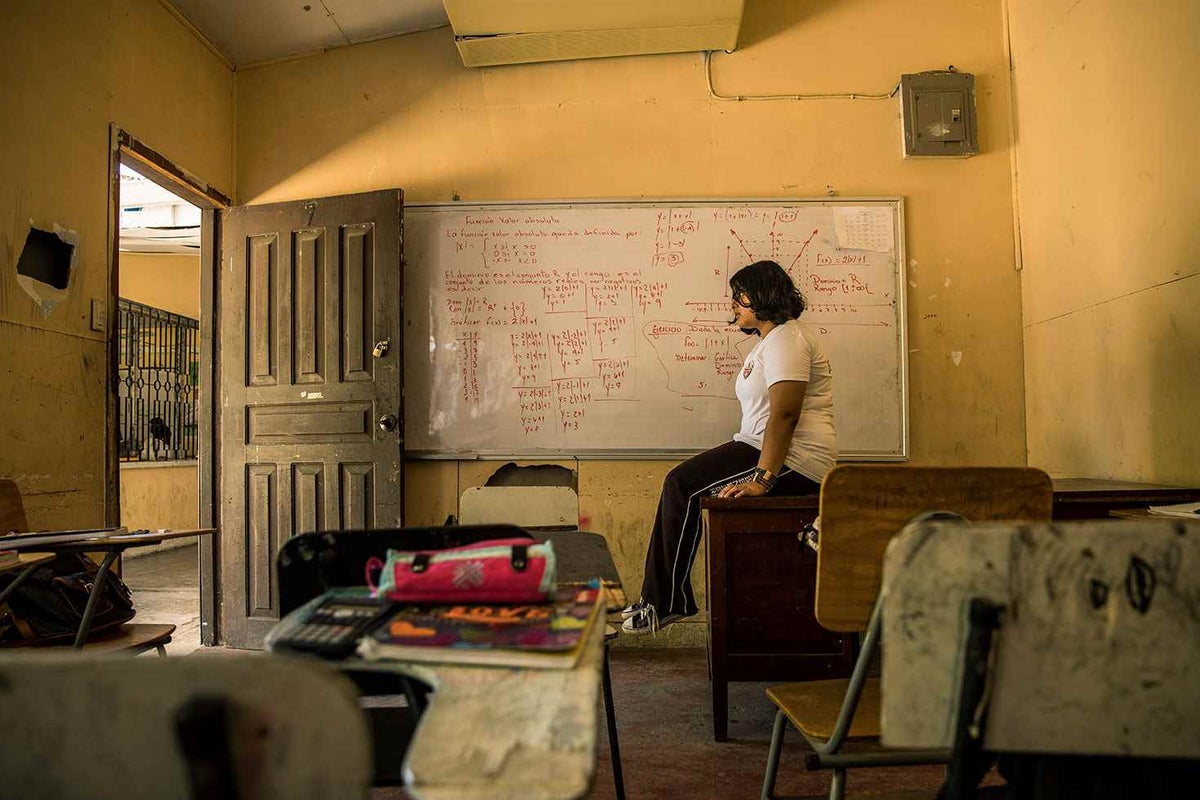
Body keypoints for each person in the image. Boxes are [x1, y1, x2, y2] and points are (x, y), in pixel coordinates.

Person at [622, 259, 837, 634]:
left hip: (796, 460)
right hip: (758, 446)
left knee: (682, 485)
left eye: (740, 295)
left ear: (763, 296)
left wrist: (762, 479)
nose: (734, 304)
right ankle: (661, 601)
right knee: (682, 483)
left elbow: (785, 415)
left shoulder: (788, 339)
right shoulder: (771, 342)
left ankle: (663, 603)